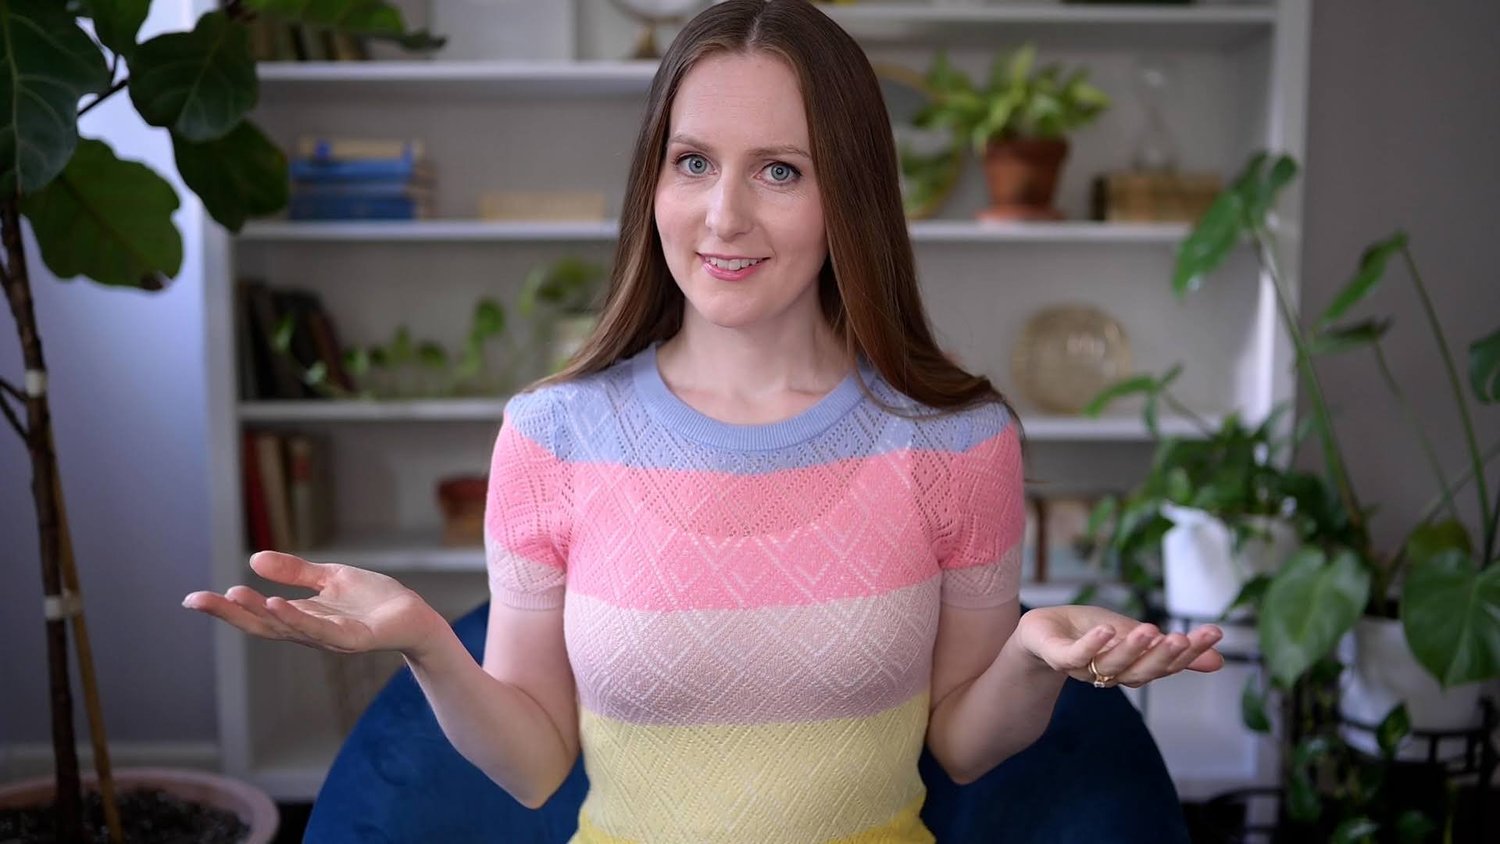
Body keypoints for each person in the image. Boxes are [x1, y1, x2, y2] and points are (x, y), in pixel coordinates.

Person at [183, 1, 1225, 841]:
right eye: (692, 162)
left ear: (850, 195)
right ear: (654, 180)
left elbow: (960, 745)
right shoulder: (553, 434)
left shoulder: (957, 440)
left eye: (780, 169)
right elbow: (536, 762)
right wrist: (425, 642)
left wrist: (1031, 655)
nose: (724, 215)